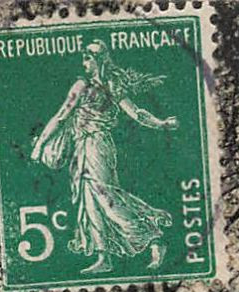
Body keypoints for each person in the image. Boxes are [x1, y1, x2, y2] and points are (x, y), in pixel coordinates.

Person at [30, 40, 179, 275]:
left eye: (89, 57)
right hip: (81, 146)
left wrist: (161, 124)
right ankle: (104, 257)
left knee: (104, 194)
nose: (85, 62)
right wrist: (40, 144)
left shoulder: (112, 86)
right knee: (89, 201)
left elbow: (136, 113)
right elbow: (61, 116)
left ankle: (152, 237)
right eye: (84, 58)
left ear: (100, 59)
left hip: (98, 145)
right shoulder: (80, 85)